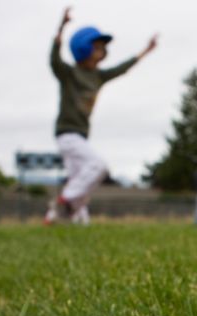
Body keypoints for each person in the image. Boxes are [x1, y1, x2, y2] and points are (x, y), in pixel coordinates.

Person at [44, 7, 157, 225]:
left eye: (103, 48)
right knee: (98, 166)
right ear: (83, 49)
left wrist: (146, 51)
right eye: (97, 47)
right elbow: (54, 60)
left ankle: (59, 219)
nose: (101, 51)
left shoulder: (98, 77)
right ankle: (64, 201)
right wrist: (61, 26)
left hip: (81, 136)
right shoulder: (69, 74)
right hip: (67, 134)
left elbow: (122, 68)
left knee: (78, 180)